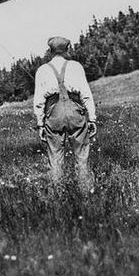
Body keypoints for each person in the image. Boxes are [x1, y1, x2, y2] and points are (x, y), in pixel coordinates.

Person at [33, 36, 97, 192]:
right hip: (75, 110)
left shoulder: (42, 70)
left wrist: (40, 123)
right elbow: (86, 94)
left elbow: (39, 100)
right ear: (67, 50)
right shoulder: (76, 66)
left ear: (50, 51)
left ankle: (59, 193)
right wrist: (92, 119)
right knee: (82, 155)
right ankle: (86, 191)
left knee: (55, 158)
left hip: (53, 112)